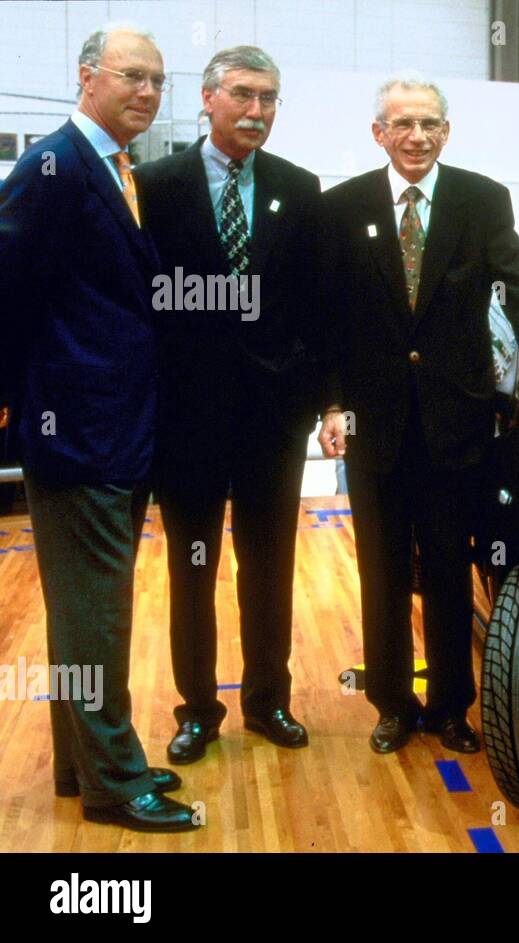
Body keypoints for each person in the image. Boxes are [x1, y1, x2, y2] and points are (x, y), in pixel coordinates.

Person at [317, 73, 519, 755]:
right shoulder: (342, 207)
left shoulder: (480, 199)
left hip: (456, 426)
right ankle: (390, 703)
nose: (418, 136)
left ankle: (449, 707)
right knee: (381, 573)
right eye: (403, 124)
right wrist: (329, 405)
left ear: (447, 131)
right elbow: (326, 320)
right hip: (372, 428)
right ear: (378, 132)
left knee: (447, 568)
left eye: (430, 124)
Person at [0, 25, 199, 831]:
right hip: (77, 432)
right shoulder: (52, 165)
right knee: (97, 618)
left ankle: (87, 765)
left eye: (157, 80)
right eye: (131, 77)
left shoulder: (119, 171)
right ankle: (116, 783)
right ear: (87, 78)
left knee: (90, 613)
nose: (147, 92)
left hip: (116, 426)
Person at [135, 46, 322, 763]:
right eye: (243, 95)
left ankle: (269, 700)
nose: (256, 111)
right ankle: (197, 709)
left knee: (269, 567)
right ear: (209, 98)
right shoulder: (154, 186)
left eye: (269, 98)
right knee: (192, 568)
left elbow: (315, 304)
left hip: (273, 420)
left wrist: (312, 397)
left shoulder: (299, 189)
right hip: (187, 419)